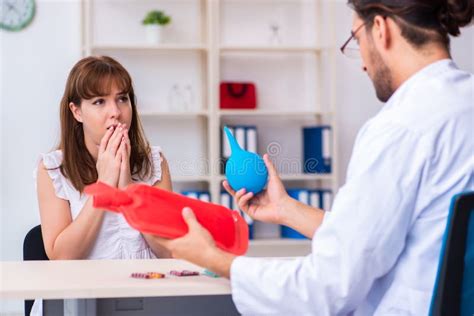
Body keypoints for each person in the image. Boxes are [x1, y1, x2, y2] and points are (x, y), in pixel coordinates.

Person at [152, 0, 473, 315]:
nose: (362, 63)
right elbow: (374, 239)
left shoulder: (400, 128)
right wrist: (287, 209)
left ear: (380, 28)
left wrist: (214, 259)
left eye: (355, 40)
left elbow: (324, 291)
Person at [32, 56, 172, 315]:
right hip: (78, 302)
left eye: (122, 98)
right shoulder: (52, 169)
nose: (116, 112)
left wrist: (129, 190)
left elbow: (170, 251)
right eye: (99, 101)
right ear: (77, 112)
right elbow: (61, 257)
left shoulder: (154, 163)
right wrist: (105, 186)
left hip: (145, 301)